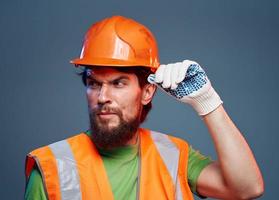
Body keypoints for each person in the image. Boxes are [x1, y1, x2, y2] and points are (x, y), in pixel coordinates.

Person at [25, 15, 264, 200]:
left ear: (147, 92)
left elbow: (247, 188)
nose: (102, 96)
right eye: (94, 83)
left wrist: (208, 101)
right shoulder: (51, 168)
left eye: (118, 83)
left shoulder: (174, 155)